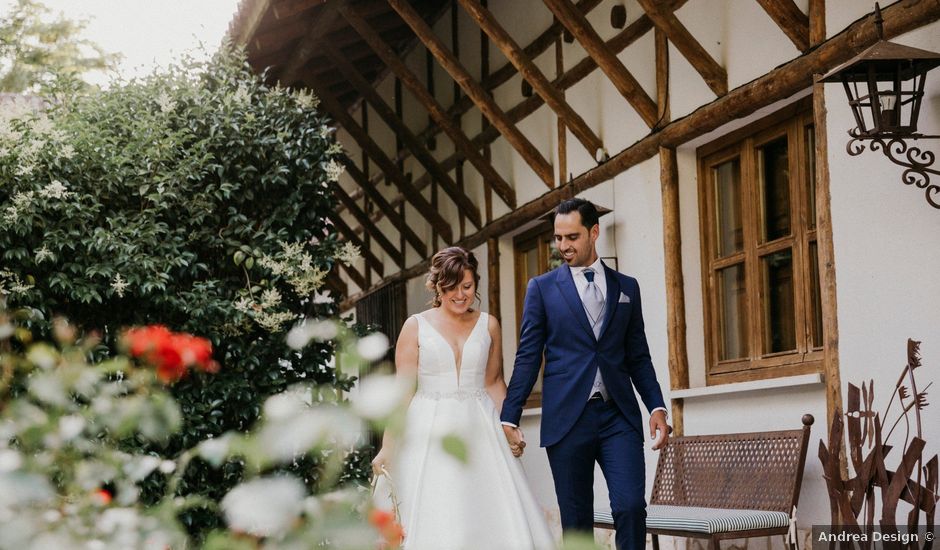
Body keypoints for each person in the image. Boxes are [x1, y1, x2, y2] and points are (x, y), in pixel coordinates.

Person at [500, 198, 670, 550]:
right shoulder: (542, 289)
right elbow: (528, 356)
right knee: (576, 519)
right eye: (558, 238)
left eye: (572, 237)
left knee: (630, 506)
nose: (563, 246)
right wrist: (509, 415)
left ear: (594, 232)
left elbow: (638, 355)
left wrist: (656, 406)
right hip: (567, 420)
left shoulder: (627, 287)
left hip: (617, 416)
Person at [372, 246, 555, 550]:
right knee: (438, 508)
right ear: (437, 286)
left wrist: (509, 424)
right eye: (452, 287)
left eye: (467, 286)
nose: (461, 294)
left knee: (487, 506)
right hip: (428, 429)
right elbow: (403, 391)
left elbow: (494, 381)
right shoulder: (415, 326)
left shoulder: (489, 324)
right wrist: (388, 446)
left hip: (480, 425)